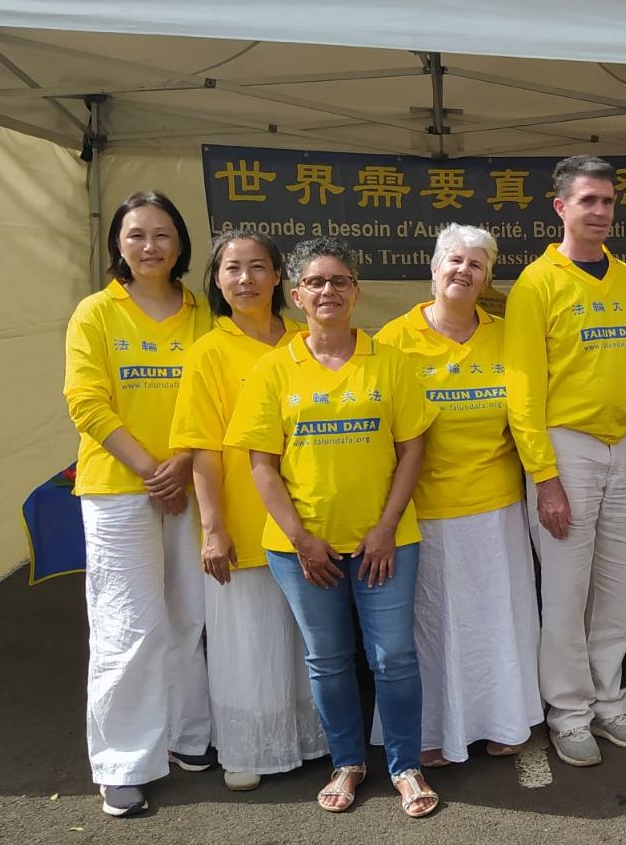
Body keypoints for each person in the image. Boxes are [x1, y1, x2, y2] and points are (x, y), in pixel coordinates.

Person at [225, 237, 440, 817]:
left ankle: (405, 765)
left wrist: (386, 527)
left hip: (385, 541)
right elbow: (261, 466)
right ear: (295, 296)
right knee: (328, 658)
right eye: (315, 283)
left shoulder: (391, 363)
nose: (327, 291)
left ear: (356, 292)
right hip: (301, 548)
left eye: (339, 281)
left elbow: (412, 449)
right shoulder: (273, 371)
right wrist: (301, 540)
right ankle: (347, 761)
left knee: (393, 655)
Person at [63, 190, 213, 818]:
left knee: (189, 615)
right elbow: (87, 402)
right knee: (128, 623)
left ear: (180, 244)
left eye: (161, 235)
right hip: (120, 489)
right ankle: (123, 762)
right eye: (136, 235)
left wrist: (182, 464)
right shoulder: (96, 313)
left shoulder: (203, 312)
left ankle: (186, 735)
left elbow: (216, 395)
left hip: (189, 482)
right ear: (117, 246)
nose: (149, 247)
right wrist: (155, 470)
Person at [371, 223, 542, 767]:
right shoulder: (393, 341)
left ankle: (505, 720)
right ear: (434, 268)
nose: (463, 271)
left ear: (488, 277)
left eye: (476, 265)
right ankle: (430, 731)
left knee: (499, 621)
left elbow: (528, 414)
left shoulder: (507, 333)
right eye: (454, 261)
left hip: (497, 506)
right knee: (433, 627)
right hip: (427, 511)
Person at [505, 155, 626, 767]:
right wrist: (545, 478)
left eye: (608, 201)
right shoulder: (536, 283)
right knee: (566, 592)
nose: (599, 211)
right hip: (567, 448)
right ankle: (568, 713)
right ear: (560, 207)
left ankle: (609, 702)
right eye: (587, 200)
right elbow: (523, 391)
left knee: (618, 585)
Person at [170, 233, 327, 791]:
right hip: (240, 519)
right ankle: (247, 748)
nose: (246, 279)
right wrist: (212, 529)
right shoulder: (209, 353)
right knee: (246, 642)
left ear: (280, 276)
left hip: (309, 519)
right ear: (216, 280)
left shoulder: (307, 341)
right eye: (232, 269)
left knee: (303, 637)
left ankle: (311, 739)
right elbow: (202, 450)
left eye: (258, 267)